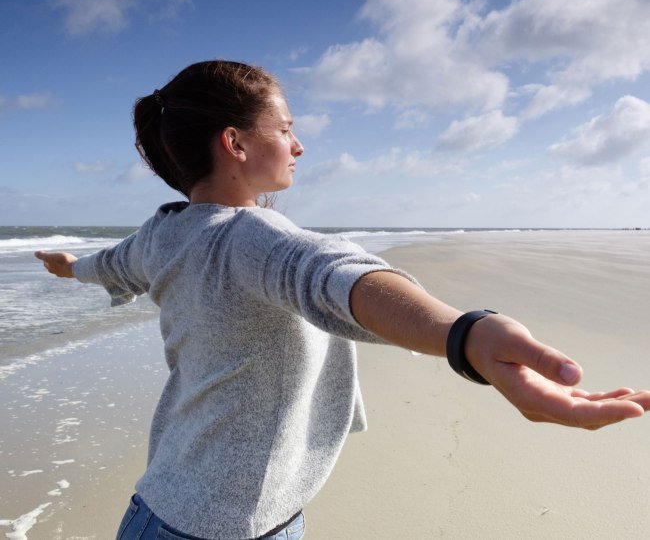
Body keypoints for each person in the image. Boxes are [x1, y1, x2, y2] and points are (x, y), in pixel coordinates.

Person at [35, 60, 650, 540]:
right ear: (236, 143)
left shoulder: (161, 232)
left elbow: (104, 266)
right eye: (285, 129)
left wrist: (66, 265)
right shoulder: (253, 238)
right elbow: (334, 277)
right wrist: (465, 336)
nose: (298, 146)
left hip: (168, 504)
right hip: (221, 527)